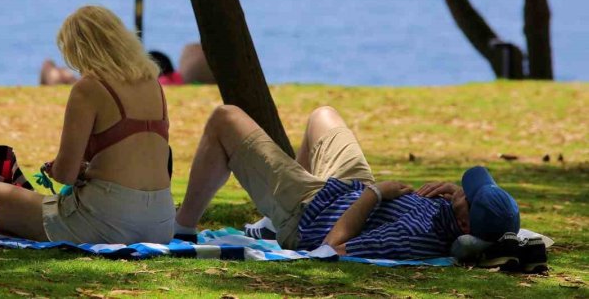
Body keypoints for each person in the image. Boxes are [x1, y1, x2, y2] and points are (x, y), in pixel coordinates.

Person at [173, 105, 520, 259]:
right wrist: (447, 194)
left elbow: (332, 247)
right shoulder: (455, 216)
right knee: (322, 116)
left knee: (225, 119)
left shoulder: (414, 239)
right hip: (348, 188)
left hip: (308, 211)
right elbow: (487, 224)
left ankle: (181, 229)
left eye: (467, 197)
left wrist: (376, 193)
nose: (463, 191)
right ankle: (267, 226)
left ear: (464, 223)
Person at [0, 5, 174, 244]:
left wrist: (57, 168)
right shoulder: (153, 84)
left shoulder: (90, 87)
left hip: (108, 220)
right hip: (161, 222)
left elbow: (66, 174)